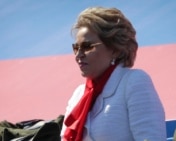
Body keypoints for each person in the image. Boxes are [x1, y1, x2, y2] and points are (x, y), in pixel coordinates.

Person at [60, 6, 166, 141]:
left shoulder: (134, 81)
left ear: (115, 49)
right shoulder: (78, 94)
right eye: (76, 48)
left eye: (87, 46)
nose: (78, 55)